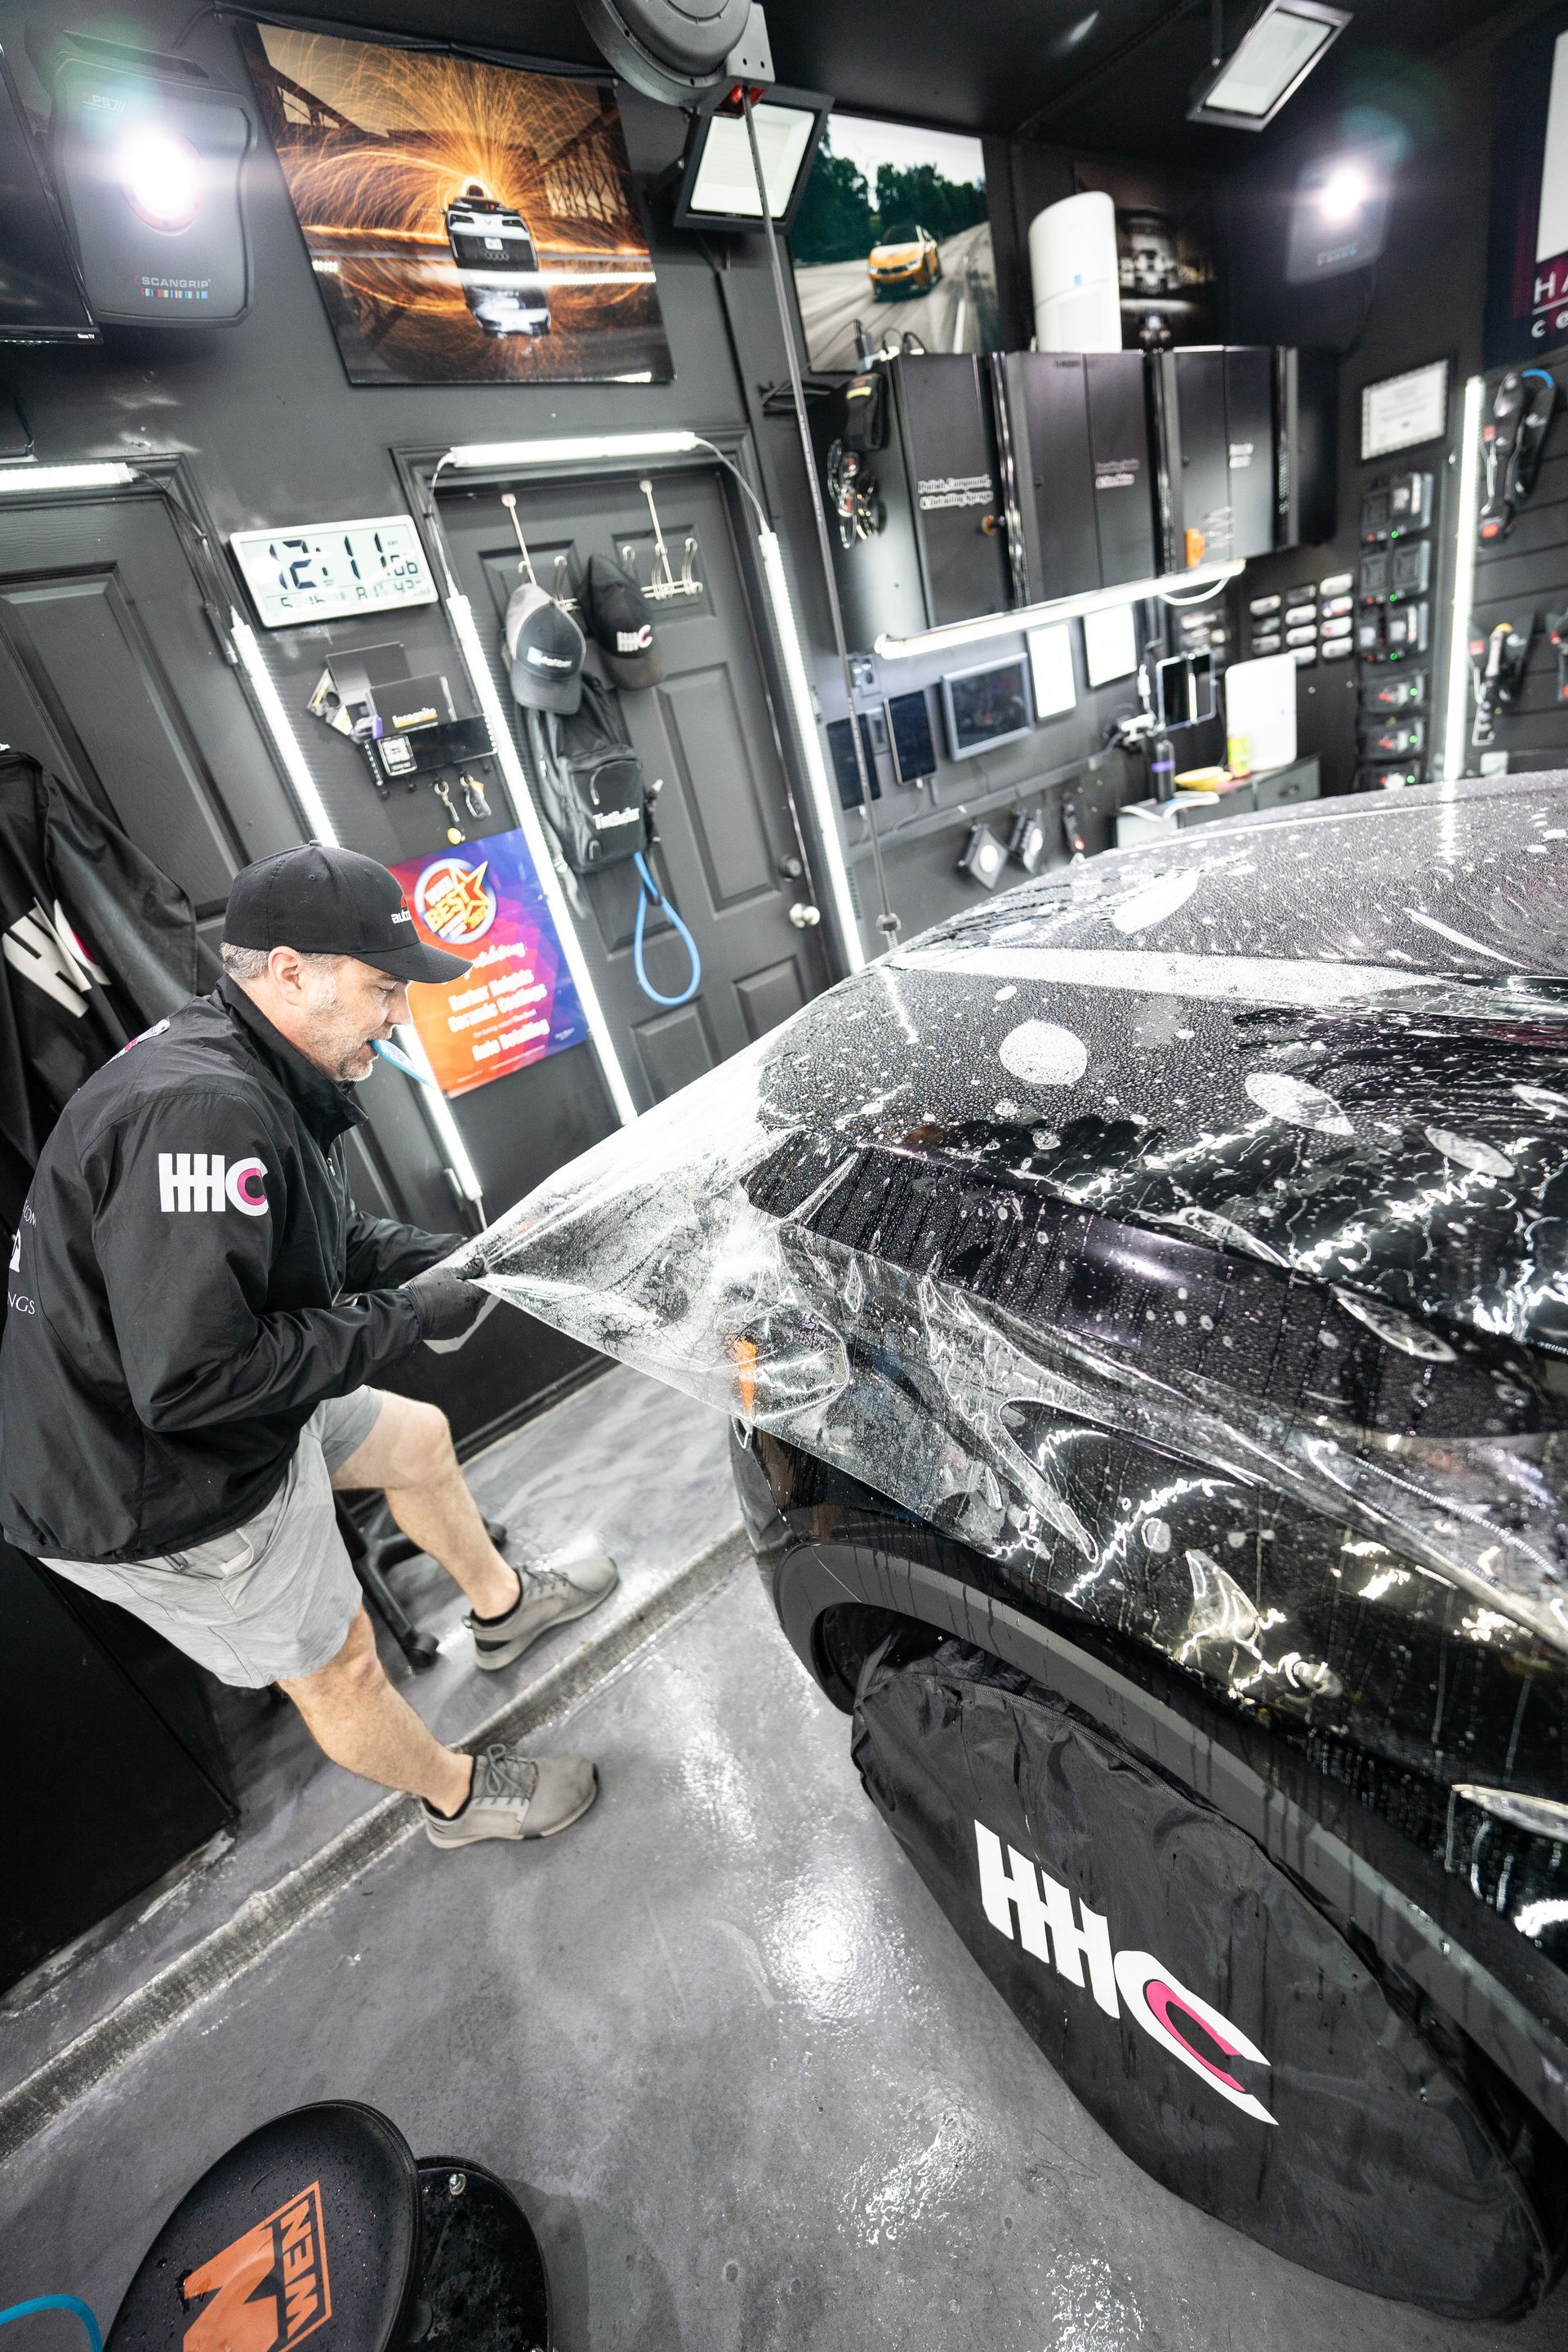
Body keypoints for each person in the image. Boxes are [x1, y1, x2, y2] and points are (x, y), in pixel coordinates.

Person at [0, 845, 616, 1850]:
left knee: (412, 1439)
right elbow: (196, 1378)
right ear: (292, 972)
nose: (399, 1013)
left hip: (211, 1399)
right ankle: (459, 1800)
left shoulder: (249, 1062)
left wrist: (471, 1260)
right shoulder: (201, 1111)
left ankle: (502, 1608)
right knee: (340, 1660)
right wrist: (411, 1315)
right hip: (153, 1479)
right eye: (384, 988)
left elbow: (308, 1243)